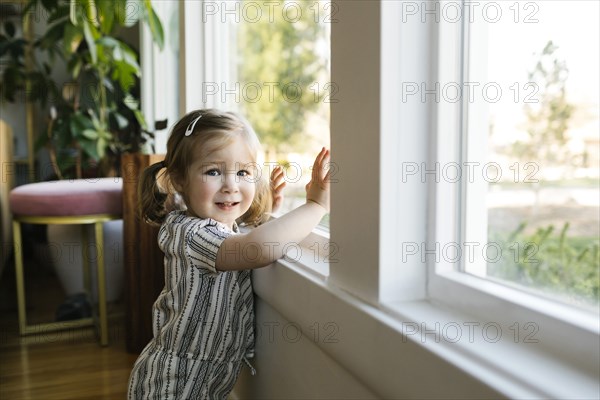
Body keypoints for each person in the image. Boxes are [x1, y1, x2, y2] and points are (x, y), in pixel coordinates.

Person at [128, 109, 330, 399]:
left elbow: (245, 237)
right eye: (213, 171)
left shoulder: (224, 229)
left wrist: (270, 214)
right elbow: (257, 248)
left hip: (206, 381)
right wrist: (316, 207)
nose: (231, 185)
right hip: (172, 383)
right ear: (180, 179)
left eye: (243, 172)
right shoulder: (189, 232)